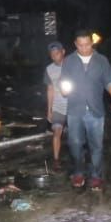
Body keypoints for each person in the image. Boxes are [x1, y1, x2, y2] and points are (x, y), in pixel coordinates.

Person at [58, 29, 111, 191]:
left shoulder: (102, 61)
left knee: (96, 146)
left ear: (92, 43)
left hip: (96, 111)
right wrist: (64, 88)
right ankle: (78, 173)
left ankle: (96, 177)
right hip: (75, 110)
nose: (84, 48)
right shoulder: (69, 61)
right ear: (75, 44)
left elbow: (109, 81)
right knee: (75, 144)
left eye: (87, 45)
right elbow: (63, 81)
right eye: (80, 45)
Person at [43, 41, 68, 169]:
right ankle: (56, 160)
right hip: (58, 106)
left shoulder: (73, 65)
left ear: (63, 52)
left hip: (74, 106)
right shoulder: (49, 69)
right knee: (57, 132)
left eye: (57, 53)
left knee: (78, 134)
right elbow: (50, 90)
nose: (54, 56)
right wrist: (49, 110)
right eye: (52, 54)